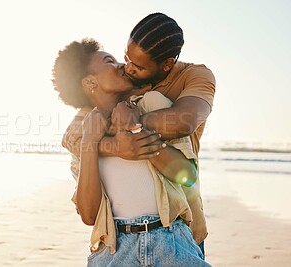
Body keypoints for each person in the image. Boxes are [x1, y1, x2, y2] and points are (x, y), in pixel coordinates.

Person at [62, 12, 216, 255]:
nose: (127, 68)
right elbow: (76, 132)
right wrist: (107, 143)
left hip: (180, 227)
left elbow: (183, 121)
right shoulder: (122, 94)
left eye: (139, 66)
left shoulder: (191, 78)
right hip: (117, 244)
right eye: (123, 58)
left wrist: (130, 128)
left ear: (166, 64)